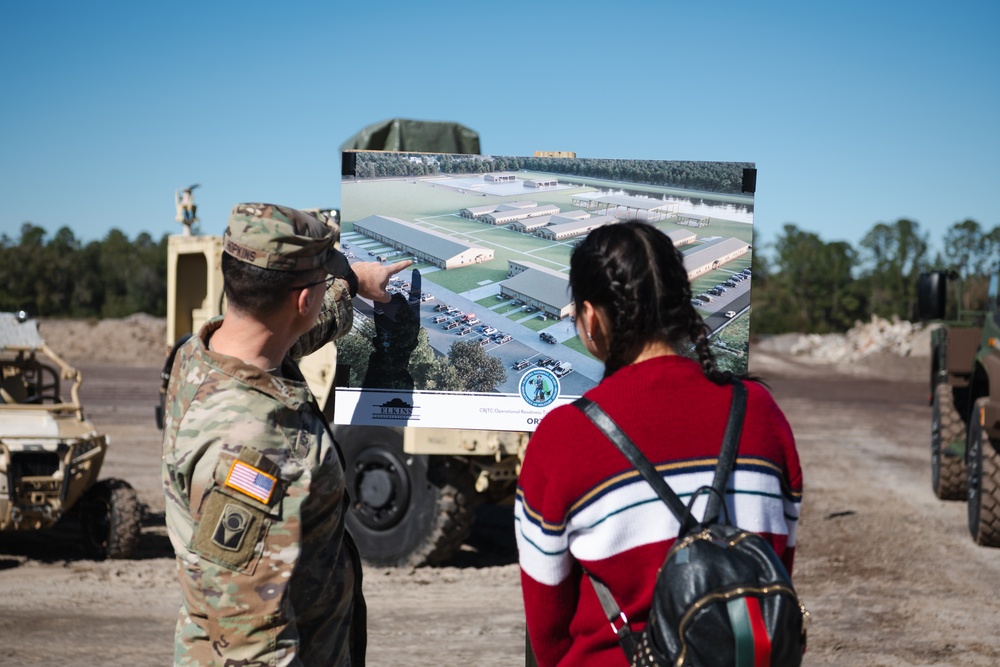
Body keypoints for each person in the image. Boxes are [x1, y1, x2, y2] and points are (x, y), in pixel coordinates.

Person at [515, 221, 802, 667]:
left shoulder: (563, 437)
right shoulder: (761, 412)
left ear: (590, 319)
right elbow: (774, 572)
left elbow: (548, 636)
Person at [162, 203, 410, 666]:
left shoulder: (202, 356)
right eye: (325, 281)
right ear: (301, 300)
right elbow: (249, 640)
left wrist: (351, 283)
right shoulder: (257, 446)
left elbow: (292, 331)